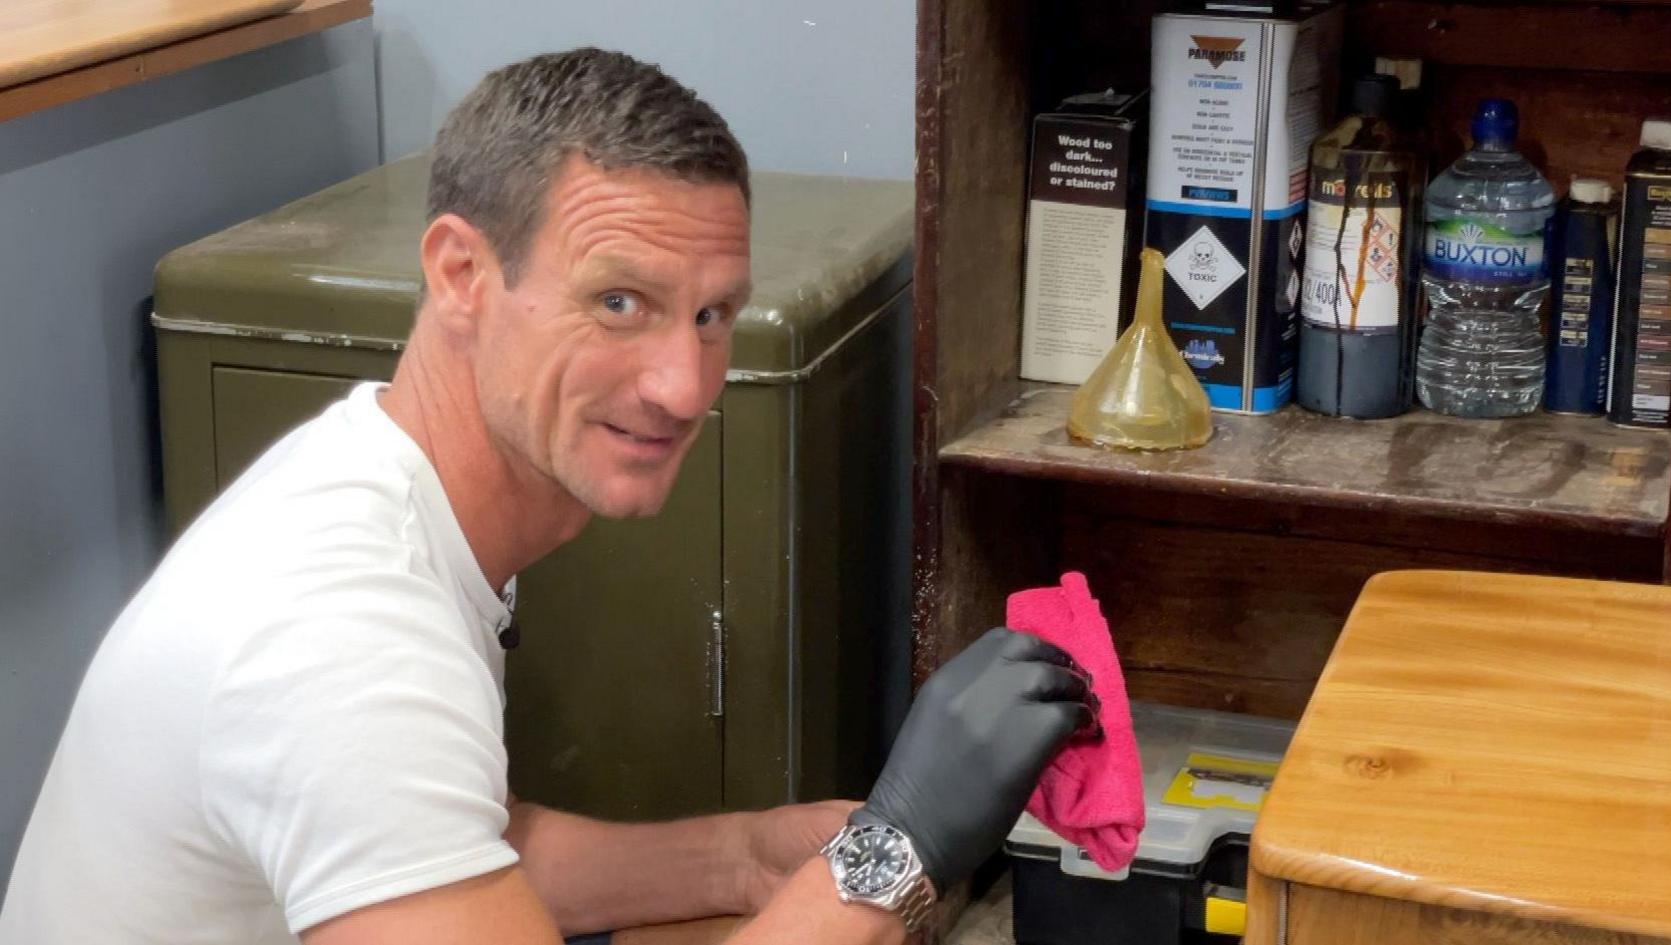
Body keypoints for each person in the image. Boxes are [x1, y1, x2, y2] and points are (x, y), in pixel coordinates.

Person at [0, 49, 1091, 945]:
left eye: (712, 316)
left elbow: (466, 845)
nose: (681, 384)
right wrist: (890, 852)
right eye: (619, 301)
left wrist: (745, 854)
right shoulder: (340, 632)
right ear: (462, 276)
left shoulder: (382, 480)